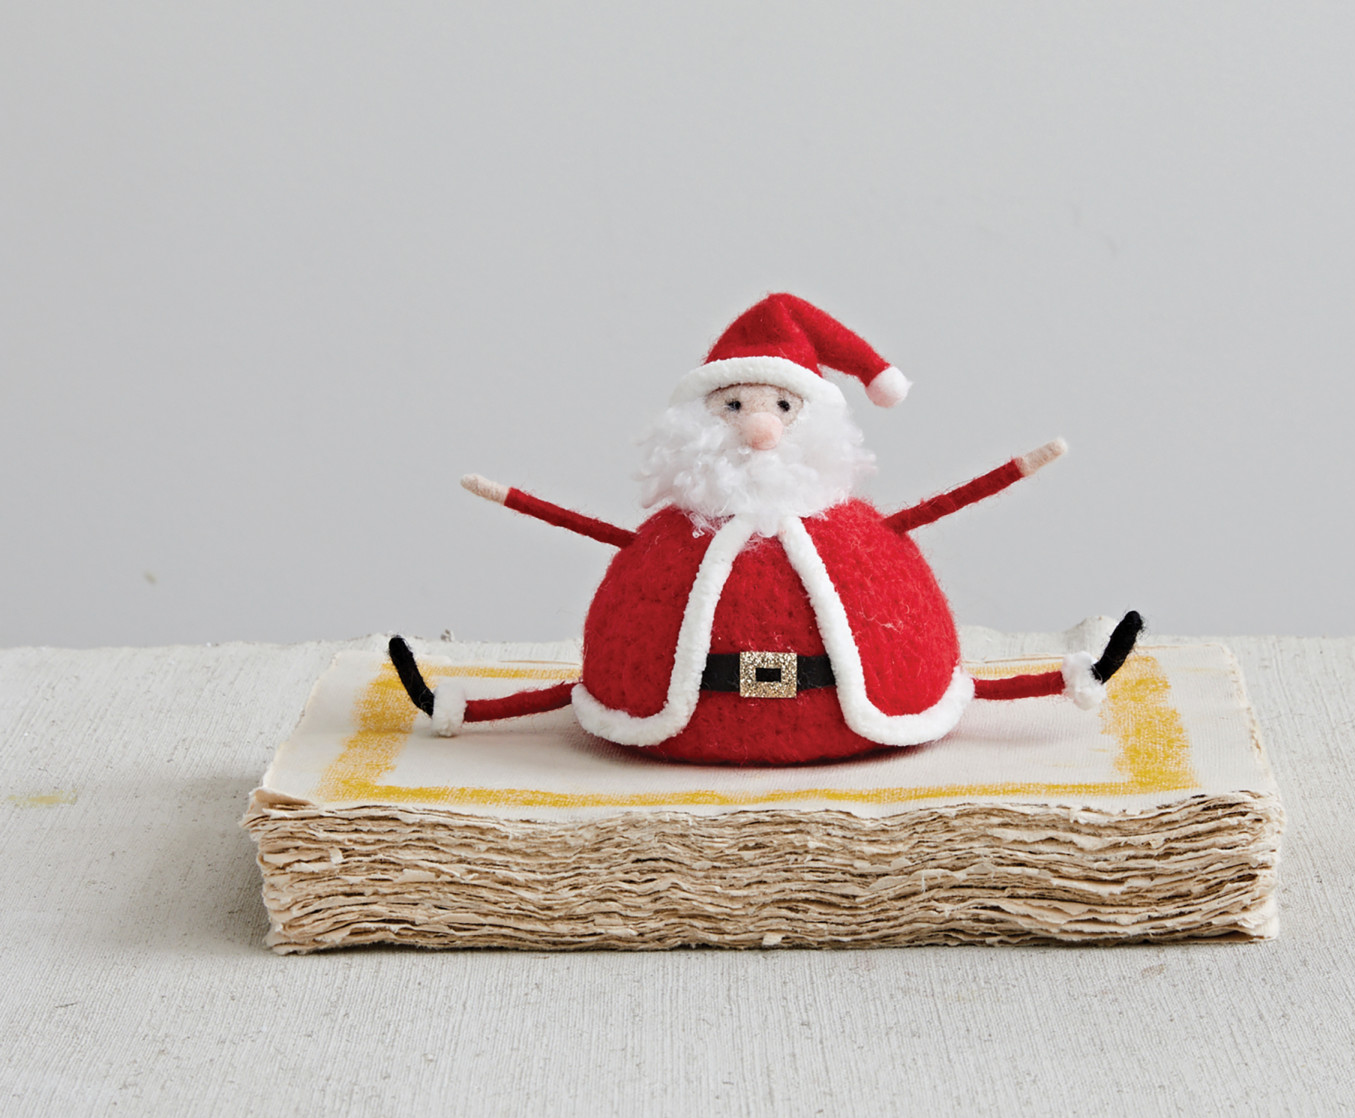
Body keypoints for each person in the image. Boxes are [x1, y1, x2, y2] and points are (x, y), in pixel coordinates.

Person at [391, 294, 1140, 765]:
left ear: (812, 419)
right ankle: (466, 709)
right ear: (702, 416)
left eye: (782, 407)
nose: (759, 429)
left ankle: (1064, 677)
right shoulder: (671, 541)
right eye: (735, 406)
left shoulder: (856, 537)